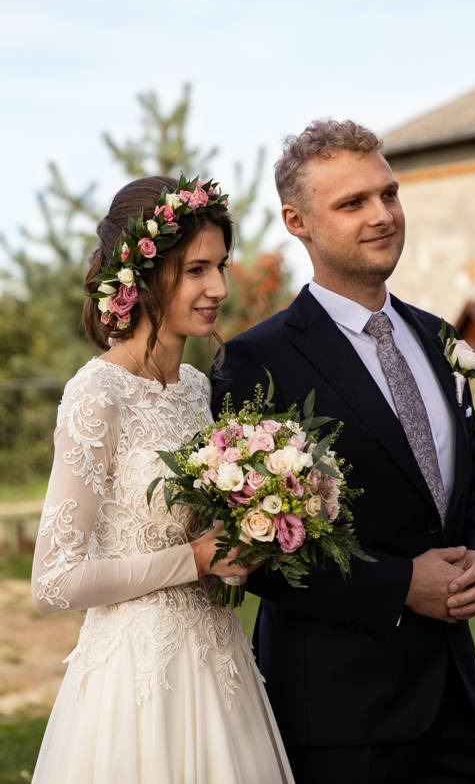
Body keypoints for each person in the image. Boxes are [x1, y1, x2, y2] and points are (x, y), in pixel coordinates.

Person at [211, 120, 475, 784]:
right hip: (339, 721)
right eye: (352, 203)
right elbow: (245, 550)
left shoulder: (438, 337)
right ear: (297, 221)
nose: (381, 215)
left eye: (388, 194)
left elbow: (473, 487)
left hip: (457, 705)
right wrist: (400, 585)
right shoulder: (254, 361)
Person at [30, 175, 295, 784]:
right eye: (197, 269)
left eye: (221, 266)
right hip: (136, 676)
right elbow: (52, 583)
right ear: (144, 273)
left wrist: (259, 524)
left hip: (220, 662)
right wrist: (195, 559)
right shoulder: (95, 394)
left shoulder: (197, 388)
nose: (219, 288)